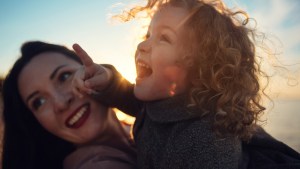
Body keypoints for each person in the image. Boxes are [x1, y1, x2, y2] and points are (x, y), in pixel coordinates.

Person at [72, 0, 300, 169]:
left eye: (164, 38)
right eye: (149, 34)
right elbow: (131, 99)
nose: (143, 45)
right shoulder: (163, 101)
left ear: (201, 69)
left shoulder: (205, 140)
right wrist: (107, 79)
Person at [1, 41, 137, 169]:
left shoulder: (140, 125)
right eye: (39, 102)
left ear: (91, 70)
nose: (61, 103)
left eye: (64, 76)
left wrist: (115, 85)